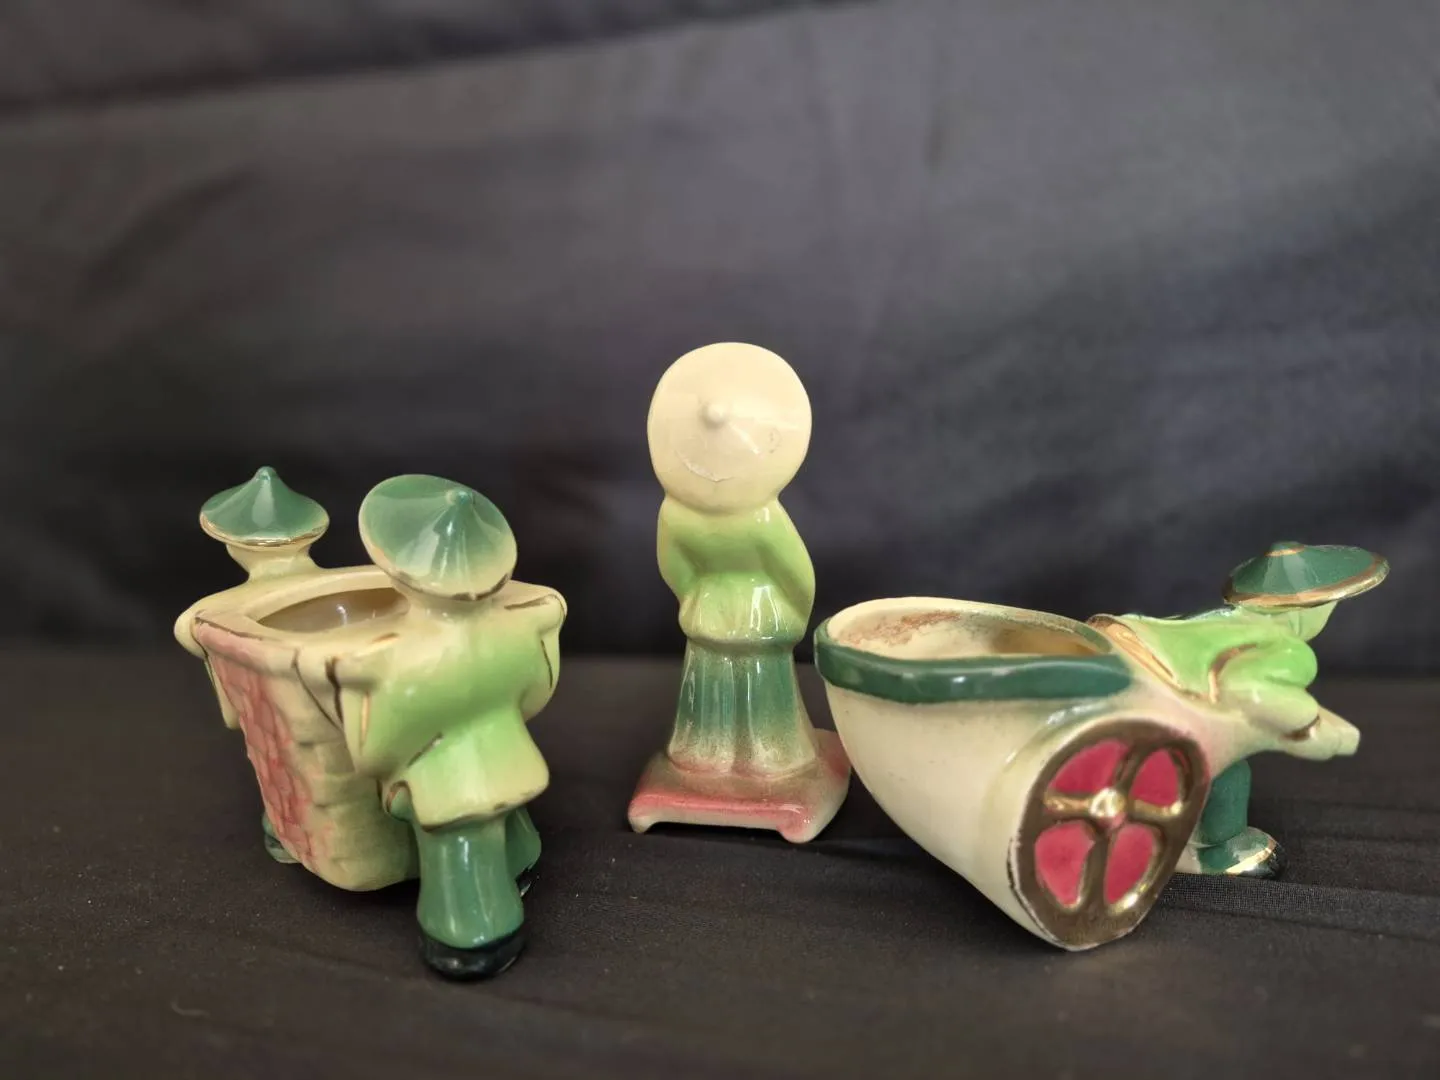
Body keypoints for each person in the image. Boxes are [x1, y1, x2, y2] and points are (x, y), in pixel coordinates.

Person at [1090, 541, 1387, 876]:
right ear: (1306, 610)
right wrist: (1311, 723)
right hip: (1145, 697)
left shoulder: (1211, 620)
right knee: (1229, 772)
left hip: (1111, 650)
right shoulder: (1286, 649)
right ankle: (1217, 849)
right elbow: (1247, 689)